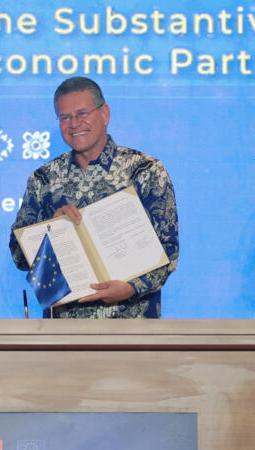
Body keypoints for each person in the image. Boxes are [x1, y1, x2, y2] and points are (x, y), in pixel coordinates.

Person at [9, 76, 178, 318]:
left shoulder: (145, 171)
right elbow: (18, 254)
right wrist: (50, 230)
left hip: (133, 330)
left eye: (82, 113)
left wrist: (131, 288)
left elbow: (168, 251)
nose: (74, 123)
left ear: (105, 114)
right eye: (65, 117)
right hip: (64, 334)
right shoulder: (43, 179)